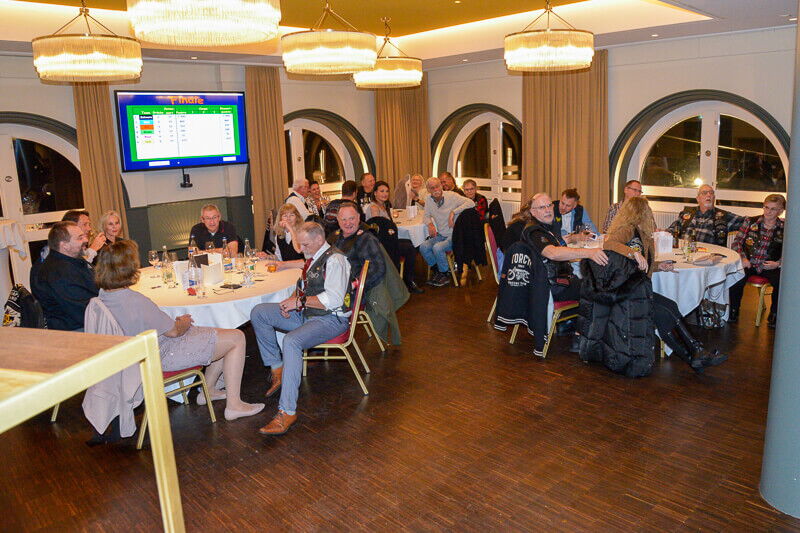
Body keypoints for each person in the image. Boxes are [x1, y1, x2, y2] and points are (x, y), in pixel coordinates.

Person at [95, 240, 264, 420]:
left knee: (223, 333)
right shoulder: (134, 300)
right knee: (237, 337)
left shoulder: (103, 296)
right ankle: (234, 405)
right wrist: (183, 321)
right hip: (161, 355)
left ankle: (208, 391)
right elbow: (174, 332)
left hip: (137, 357)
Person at [603, 197, 728, 371]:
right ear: (640, 212)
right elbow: (609, 244)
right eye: (647, 210)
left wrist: (659, 266)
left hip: (638, 289)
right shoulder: (628, 229)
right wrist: (634, 253)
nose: (650, 214)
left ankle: (695, 354)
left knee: (669, 307)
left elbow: (643, 265)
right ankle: (695, 354)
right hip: (624, 291)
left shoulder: (642, 234)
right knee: (664, 311)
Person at [250, 222, 352, 435]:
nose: (301, 249)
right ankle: (277, 368)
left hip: (331, 319)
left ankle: (287, 411)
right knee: (259, 312)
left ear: (319, 240)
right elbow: (304, 288)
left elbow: (333, 299)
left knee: (291, 341)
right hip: (308, 315)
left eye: (305, 244)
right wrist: (291, 301)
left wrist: (299, 302)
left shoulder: (336, 260)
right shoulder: (314, 258)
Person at [525, 193, 608, 303]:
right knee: (600, 290)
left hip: (561, 280)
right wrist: (589, 253)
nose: (547, 210)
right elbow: (553, 253)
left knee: (600, 282)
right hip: (550, 286)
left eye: (549, 206)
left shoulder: (549, 227)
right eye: (542, 207)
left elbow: (559, 243)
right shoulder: (534, 231)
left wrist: (575, 239)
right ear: (533, 212)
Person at [728, 194, 785, 327]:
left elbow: (791, 250)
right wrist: (743, 258)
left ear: (780, 211)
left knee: (781, 282)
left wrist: (778, 263)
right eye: (766, 207)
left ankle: (774, 314)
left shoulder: (785, 227)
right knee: (736, 277)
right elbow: (737, 242)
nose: (768, 212)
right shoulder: (750, 222)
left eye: (773, 209)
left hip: (770, 266)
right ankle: (733, 310)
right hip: (749, 263)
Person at [31, 221, 98, 331]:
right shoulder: (58, 273)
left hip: (84, 320)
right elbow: (83, 312)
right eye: (80, 238)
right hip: (76, 330)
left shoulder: (72, 260)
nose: (86, 240)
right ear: (64, 245)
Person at [365, 181, 422, 294]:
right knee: (410, 248)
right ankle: (407, 281)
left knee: (411, 243)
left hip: (387, 240)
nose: (385, 194)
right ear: (375, 193)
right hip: (380, 244)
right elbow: (378, 228)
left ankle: (405, 277)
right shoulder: (374, 208)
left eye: (387, 191)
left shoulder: (384, 205)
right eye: (382, 191)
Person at [420, 177, 475, 287]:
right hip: (441, 234)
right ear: (428, 190)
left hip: (454, 236)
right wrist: (430, 224)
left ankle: (444, 274)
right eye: (432, 188)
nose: (436, 189)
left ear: (441, 186)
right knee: (423, 247)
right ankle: (438, 271)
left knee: (437, 247)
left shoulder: (452, 196)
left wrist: (453, 212)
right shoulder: (428, 200)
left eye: (437, 186)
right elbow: (425, 216)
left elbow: (471, 203)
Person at [330, 204, 386, 292]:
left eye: (351, 218)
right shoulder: (334, 237)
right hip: (334, 285)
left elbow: (378, 268)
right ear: (338, 220)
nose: (348, 223)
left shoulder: (366, 239)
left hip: (356, 292)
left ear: (358, 217)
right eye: (344, 219)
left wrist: (355, 284)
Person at [667, 185, 745, 245]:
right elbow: (673, 229)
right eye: (704, 193)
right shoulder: (687, 213)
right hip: (686, 253)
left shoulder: (723, 216)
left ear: (714, 198)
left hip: (710, 257)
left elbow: (746, 222)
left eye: (711, 193)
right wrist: (663, 232)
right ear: (698, 198)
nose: (708, 195)